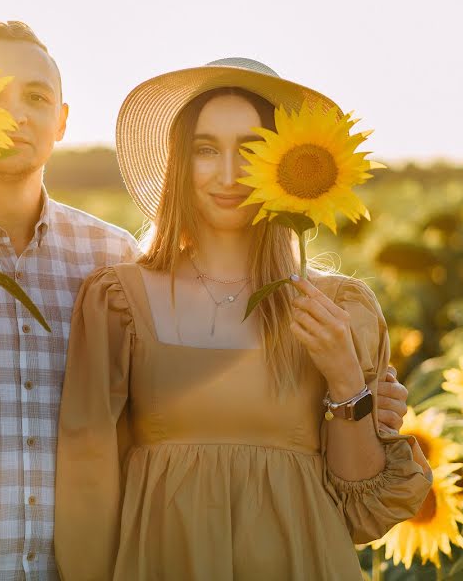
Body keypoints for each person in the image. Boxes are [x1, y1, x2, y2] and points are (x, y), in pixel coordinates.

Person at [0, 20, 411, 579]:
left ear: (61, 119)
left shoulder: (109, 260)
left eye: (35, 97)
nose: (17, 115)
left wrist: (354, 395)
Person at [54, 58, 432, 580]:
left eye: (251, 150)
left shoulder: (339, 309)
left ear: (286, 165)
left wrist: (345, 377)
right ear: (179, 164)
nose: (228, 173)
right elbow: (86, 477)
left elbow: (361, 507)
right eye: (206, 149)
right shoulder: (120, 301)